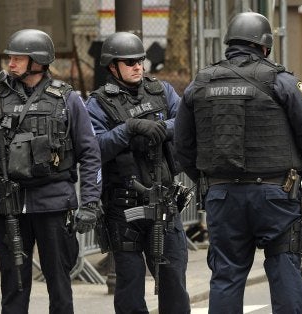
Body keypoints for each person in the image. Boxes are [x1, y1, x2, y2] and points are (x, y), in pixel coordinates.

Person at [174, 12, 302, 313]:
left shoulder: (200, 83)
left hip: (222, 196)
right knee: (284, 268)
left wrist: (208, 178)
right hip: (275, 193)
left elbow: (183, 145)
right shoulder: (281, 81)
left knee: (227, 275)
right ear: (265, 46)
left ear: (229, 43)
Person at [0, 29, 102, 314]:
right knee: (14, 286)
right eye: (11, 58)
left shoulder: (67, 99)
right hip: (10, 205)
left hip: (54, 203)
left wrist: (90, 203)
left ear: (38, 62)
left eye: (18, 58)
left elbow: (90, 153)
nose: (11, 63)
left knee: (60, 284)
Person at [85, 31, 190, 314]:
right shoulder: (97, 103)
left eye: (140, 60)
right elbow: (94, 147)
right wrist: (128, 129)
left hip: (164, 202)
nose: (137, 67)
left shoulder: (161, 90)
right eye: (129, 62)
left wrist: (159, 129)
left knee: (173, 281)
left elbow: (184, 122)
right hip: (124, 207)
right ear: (112, 67)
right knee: (129, 286)